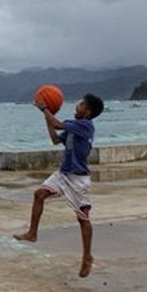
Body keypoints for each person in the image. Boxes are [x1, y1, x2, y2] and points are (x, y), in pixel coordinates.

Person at [14, 92, 104, 278]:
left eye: (80, 104)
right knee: (39, 194)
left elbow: (56, 123)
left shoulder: (84, 125)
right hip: (63, 174)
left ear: (87, 112)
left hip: (77, 180)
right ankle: (32, 233)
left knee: (83, 218)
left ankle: (87, 256)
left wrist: (45, 109)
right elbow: (55, 139)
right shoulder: (74, 127)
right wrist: (46, 115)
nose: (76, 106)